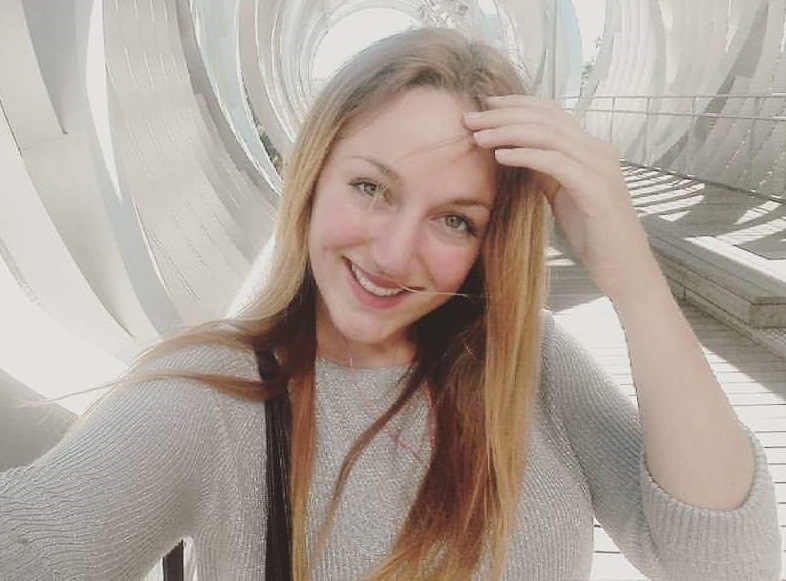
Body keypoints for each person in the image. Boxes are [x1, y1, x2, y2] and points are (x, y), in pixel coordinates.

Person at [0, 27, 781, 580]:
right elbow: (38, 538)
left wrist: (633, 279)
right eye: (371, 187)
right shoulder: (218, 390)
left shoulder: (530, 363)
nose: (393, 253)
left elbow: (727, 562)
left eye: (455, 219)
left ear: (488, 242)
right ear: (313, 176)